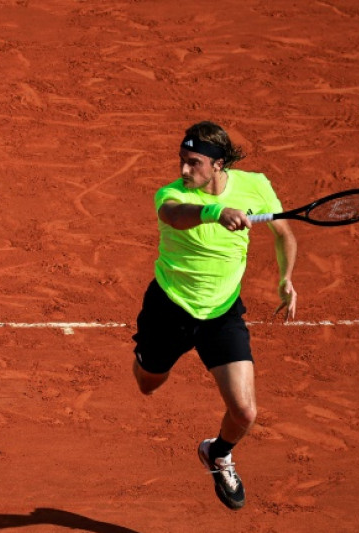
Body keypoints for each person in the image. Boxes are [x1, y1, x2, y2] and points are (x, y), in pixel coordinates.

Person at [131, 121, 297, 510]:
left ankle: (217, 453)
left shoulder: (256, 186)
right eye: (182, 162)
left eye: (194, 163)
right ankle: (144, 360)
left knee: (244, 411)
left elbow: (284, 234)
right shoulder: (171, 195)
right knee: (148, 384)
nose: (184, 171)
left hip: (221, 312)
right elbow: (175, 215)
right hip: (169, 307)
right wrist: (214, 212)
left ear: (218, 164)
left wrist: (287, 278)